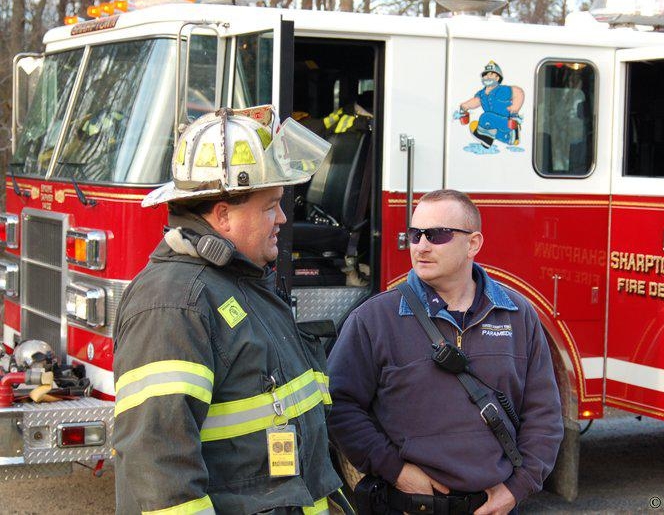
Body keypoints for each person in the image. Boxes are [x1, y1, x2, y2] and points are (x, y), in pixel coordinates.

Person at [113, 109, 343, 514]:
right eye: (270, 206)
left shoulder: (242, 283)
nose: (282, 218)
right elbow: (160, 470)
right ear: (223, 215)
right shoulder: (174, 304)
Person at [327, 189, 563, 514]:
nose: (421, 246)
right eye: (415, 234)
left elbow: (544, 414)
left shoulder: (518, 315)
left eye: (437, 235)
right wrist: (395, 470)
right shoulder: (373, 319)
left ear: (473, 244)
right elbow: (338, 404)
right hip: (408, 507)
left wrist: (517, 488)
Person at [456, 61, 524, 148]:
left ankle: (513, 134)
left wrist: (515, 107)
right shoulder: (482, 93)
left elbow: (518, 92)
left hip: (507, 123)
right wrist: (465, 106)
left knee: (485, 117)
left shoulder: (502, 90)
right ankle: (491, 139)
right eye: (485, 75)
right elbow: (475, 101)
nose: (487, 76)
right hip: (497, 128)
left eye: (491, 74)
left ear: (497, 78)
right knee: (475, 125)